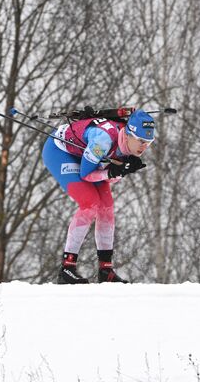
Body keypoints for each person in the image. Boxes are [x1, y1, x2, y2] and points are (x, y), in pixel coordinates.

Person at [41, 107, 155, 283]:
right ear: (129, 134)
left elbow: (107, 178)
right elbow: (86, 174)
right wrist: (114, 172)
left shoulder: (128, 144)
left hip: (84, 154)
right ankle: (67, 269)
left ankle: (105, 270)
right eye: (141, 141)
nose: (144, 147)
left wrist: (119, 171)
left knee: (106, 206)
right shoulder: (103, 140)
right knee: (90, 203)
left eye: (149, 142)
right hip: (59, 151)